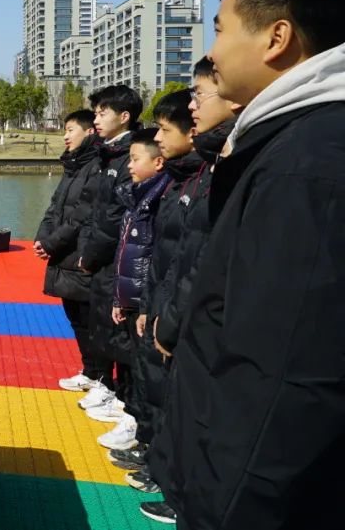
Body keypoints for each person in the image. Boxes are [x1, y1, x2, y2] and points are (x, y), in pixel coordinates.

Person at [158, 0, 345, 530]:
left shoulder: (305, 167)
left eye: (220, 29)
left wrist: (225, 507)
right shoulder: (288, 145)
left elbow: (284, 376)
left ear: (276, 38)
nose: (212, 51)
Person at [140, 58, 242, 521]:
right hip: (171, 307)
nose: (195, 105)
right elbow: (175, 252)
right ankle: (164, 471)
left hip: (199, 321)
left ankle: (176, 487)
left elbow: (200, 256)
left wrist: (171, 316)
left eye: (200, 93)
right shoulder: (202, 171)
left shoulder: (228, 167)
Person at [118, 91, 200, 514]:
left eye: (165, 130)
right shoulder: (181, 183)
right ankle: (153, 454)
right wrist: (148, 305)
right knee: (150, 381)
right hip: (158, 302)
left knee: (169, 391)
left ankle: (168, 475)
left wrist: (163, 312)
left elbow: (189, 256)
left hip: (180, 312)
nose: (159, 138)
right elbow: (163, 257)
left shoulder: (197, 180)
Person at [96, 129, 168, 455]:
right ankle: (130, 413)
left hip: (146, 298)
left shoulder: (159, 198)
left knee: (143, 364)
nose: (129, 166)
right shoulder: (136, 196)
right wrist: (119, 297)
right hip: (131, 294)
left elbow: (152, 255)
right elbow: (126, 251)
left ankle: (138, 425)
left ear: (158, 162)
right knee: (130, 358)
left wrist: (143, 305)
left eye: (135, 159)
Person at [75, 85, 143, 418]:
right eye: (96, 113)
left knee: (118, 328)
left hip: (115, 257)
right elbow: (94, 209)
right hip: (103, 257)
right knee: (102, 321)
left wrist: (91, 254)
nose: (97, 119)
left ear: (124, 116)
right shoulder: (107, 154)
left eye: (103, 113)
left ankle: (122, 397)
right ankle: (106, 384)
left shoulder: (129, 156)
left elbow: (115, 216)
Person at [33, 109, 105, 392]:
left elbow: (81, 215)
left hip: (79, 255)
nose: (65, 136)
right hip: (64, 254)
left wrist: (52, 243)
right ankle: (90, 372)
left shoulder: (96, 166)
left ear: (89, 132)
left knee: (89, 321)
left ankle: (101, 378)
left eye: (70, 130)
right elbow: (55, 207)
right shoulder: (73, 165)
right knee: (76, 318)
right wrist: (42, 237)